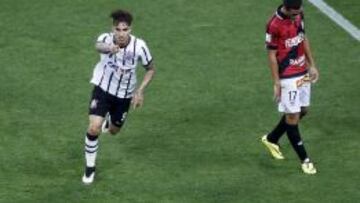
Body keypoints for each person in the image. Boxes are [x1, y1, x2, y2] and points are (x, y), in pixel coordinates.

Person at [82, 9, 156, 184]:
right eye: (118, 29)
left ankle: (109, 122)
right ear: (113, 29)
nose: (121, 33)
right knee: (94, 128)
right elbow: (98, 46)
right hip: (103, 89)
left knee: (114, 131)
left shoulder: (140, 46)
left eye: (125, 29)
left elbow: (151, 68)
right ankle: (89, 169)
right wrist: (110, 48)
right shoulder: (106, 39)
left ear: (130, 29)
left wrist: (140, 91)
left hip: (124, 96)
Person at [261, 0, 319, 174]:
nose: (296, 15)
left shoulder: (300, 14)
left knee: (303, 110)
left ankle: (272, 138)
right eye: (293, 13)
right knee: (292, 116)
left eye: (298, 12)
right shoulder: (273, 25)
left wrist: (312, 64)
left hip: (302, 70)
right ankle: (305, 160)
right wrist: (276, 82)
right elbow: (271, 55)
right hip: (287, 76)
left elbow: (303, 38)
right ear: (286, 8)